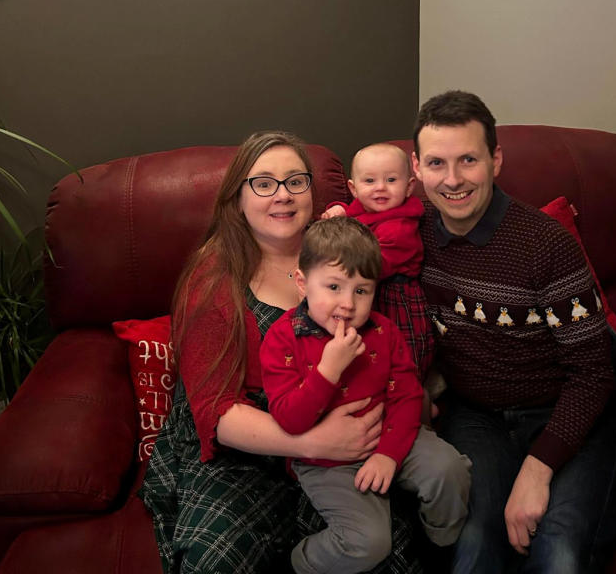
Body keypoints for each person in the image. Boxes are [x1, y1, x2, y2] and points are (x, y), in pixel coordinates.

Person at [139, 131, 419, 574]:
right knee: (216, 559)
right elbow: (215, 408)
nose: (282, 196)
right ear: (237, 196)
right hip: (245, 445)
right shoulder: (213, 276)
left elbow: (388, 344)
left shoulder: (340, 253)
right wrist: (312, 440)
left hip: (341, 444)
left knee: (387, 552)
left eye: (295, 181)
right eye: (264, 183)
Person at [411, 92, 616, 574]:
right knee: (472, 548)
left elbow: (593, 375)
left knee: (560, 554)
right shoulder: (407, 233)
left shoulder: (547, 245)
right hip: (475, 413)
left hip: (564, 406)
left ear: (496, 160)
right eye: (437, 163)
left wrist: (539, 466)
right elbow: (340, 256)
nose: (452, 179)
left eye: (469, 159)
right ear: (417, 168)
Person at [261, 217, 472, 574]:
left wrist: (388, 455)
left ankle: (440, 546)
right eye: (333, 286)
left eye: (361, 290)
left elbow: (407, 396)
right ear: (302, 283)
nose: (347, 303)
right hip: (326, 463)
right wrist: (329, 370)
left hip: (390, 436)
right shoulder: (282, 340)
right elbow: (289, 420)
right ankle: (301, 562)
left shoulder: (383, 331)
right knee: (369, 543)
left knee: (450, 471)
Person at [322, 143, 434, 381]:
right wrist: (338, 209)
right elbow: (353, 213)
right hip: (366, 292)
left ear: (409, 186)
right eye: (369, 181)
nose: (380, 188)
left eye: (391, 180)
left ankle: (415, 388)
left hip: (396, 295)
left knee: (404, 351)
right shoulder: (366, 207)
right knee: (371, 351)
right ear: (353, 188)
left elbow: (374, 266)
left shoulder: (401, 227)